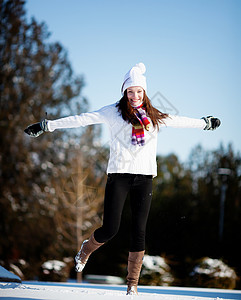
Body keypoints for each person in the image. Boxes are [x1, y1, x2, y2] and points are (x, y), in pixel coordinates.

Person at [24, 62, 221, 295]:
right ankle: (85, 250)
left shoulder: (154, 116)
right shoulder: (113, 113)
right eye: (130, 91)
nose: (134, 95)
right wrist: (48, 126)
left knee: (139, 231)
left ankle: (132, 285)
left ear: (144, 92)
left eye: (139, 91)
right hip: (118, 176)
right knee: (110, 229)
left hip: (144, 177)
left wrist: (204, 123)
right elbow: (81, 118)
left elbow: (179, 120)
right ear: (124, 92)